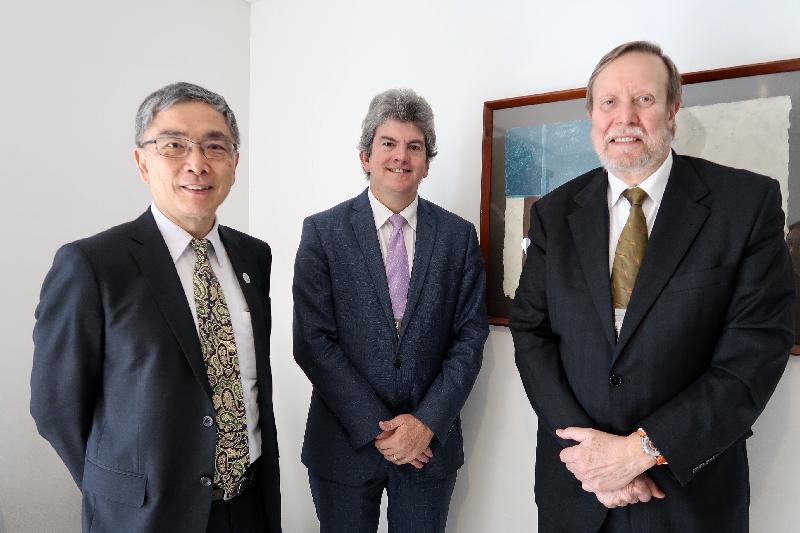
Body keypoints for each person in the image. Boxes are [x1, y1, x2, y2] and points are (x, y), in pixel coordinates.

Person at [510, 41, 793, 533]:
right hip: (577, 493)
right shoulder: (554, 214)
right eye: (609, 103)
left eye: (643, 100)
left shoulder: (745, 205)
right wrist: (593, 459)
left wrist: (641, 451)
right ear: (591, 115)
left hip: (687, 499)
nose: (625, 118)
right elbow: (532, 332)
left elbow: (753, 354)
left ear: (672, 109)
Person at [31, 82, 281, 533]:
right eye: (173, 145)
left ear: (235, 162)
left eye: (215, 146)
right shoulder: (92, 264)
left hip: (247, 506)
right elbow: (55, 406)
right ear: (141, 161)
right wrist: (119, 489)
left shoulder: (253, 257)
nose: (197, 163)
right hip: (147, 517)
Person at [292, 88, 488, 533]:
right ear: (365, 156)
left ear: (426, 161)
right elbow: (313, 341)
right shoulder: (323, 233)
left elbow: (470, 338)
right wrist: (378, 428)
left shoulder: (458, 237)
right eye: (389, 144)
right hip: (343, 441)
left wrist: (424, 423)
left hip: (428, 446)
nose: (401, 156)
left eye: (414, 146)